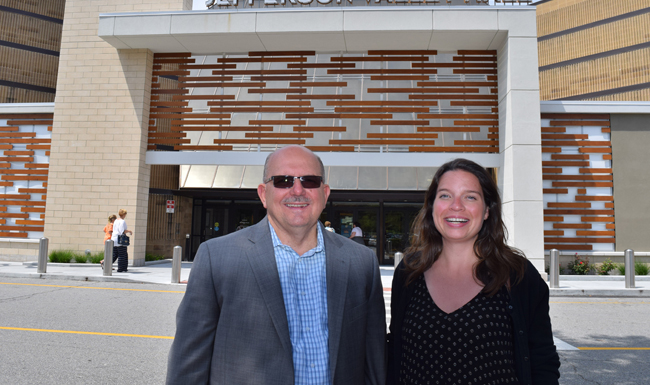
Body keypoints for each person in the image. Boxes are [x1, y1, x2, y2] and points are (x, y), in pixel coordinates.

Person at [166, 145, 386, 385]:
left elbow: (374, 363)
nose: (298, 190)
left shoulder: (361, 263)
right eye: (283, 181)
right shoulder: (216, 258)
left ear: (325, 193)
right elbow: (188, 367)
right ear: (263, 194)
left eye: (309, 181)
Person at [387, 158, 560, 385]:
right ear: (432, 207)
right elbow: (395, 354)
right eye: (445, 195)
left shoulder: (518, 275)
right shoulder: (409, 272)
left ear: (487, 210)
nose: (456, 205)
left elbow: (542, 362)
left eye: (470, 197)